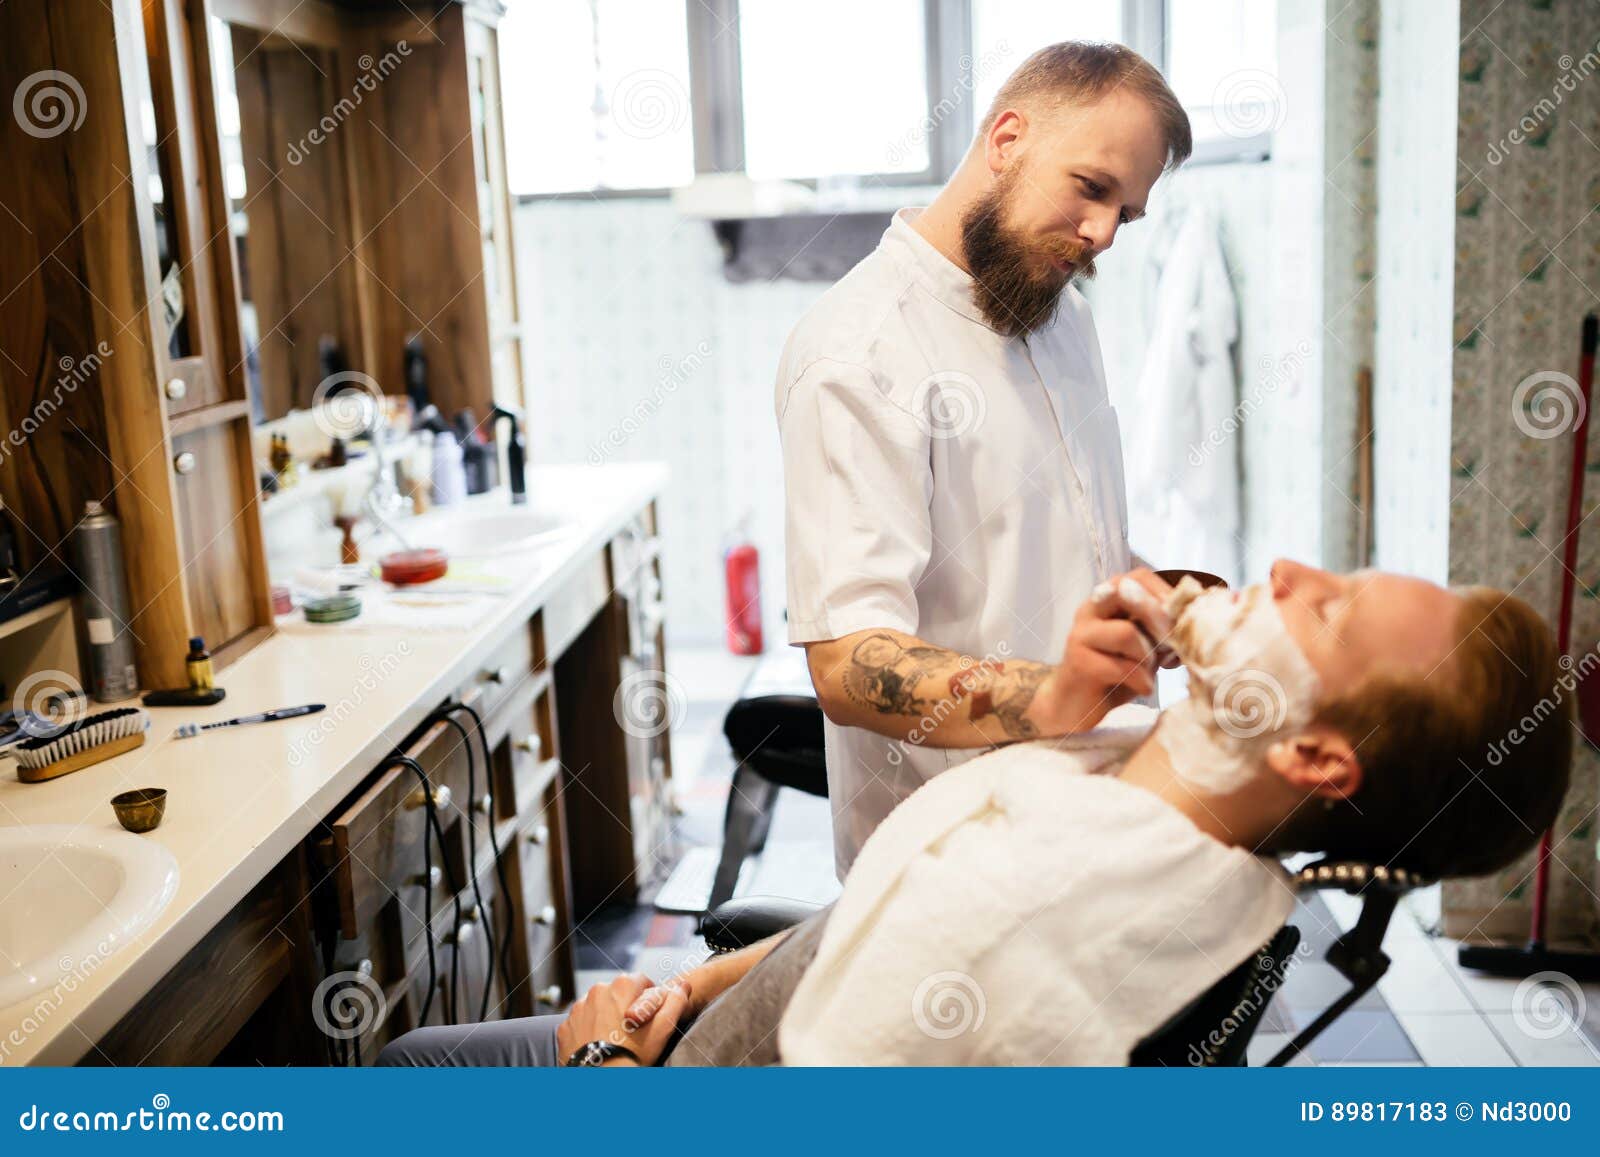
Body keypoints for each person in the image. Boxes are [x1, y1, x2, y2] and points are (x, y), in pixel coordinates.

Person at [379, 560, 1572, 1067]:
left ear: (1313, 752)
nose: (1295, 569)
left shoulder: (1035, 918)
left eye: (1332, 609)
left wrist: (600, 1057)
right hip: (695, 1025)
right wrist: (690, 987)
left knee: (395, 1072)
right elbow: (866, 924)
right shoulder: (1152, 815)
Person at [777, 42, 1195, 877]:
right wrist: (1054, 696)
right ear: (1007, 140)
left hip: (1084, 813)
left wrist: (1157, 596)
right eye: (1092, 188)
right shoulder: (859, 353)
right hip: (948, 859)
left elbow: (1051, 533)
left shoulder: (1061, 314)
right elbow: (848, 662)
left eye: (1128, 214)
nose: (1104, 234)